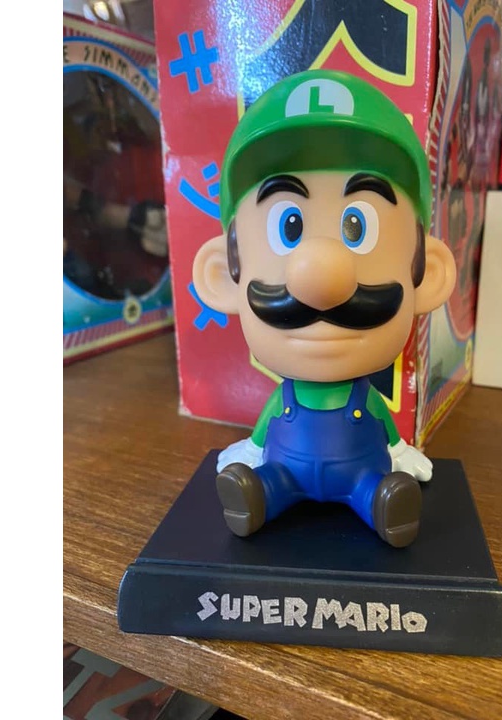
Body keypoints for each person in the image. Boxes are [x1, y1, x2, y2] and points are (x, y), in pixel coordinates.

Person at [193, 70, 456, 547]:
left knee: (372, 488)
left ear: (427, 273)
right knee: (272, 482)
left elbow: (385, 429)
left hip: (361, 471)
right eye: (288, 226)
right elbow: (265, 429)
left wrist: (399, 453)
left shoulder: (365, 397)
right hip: (285, 470)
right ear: (222, 275)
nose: (319, 276)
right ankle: (258, 496)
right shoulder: (284, 398)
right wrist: (252, 450)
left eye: (358, 226)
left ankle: (382, 504)